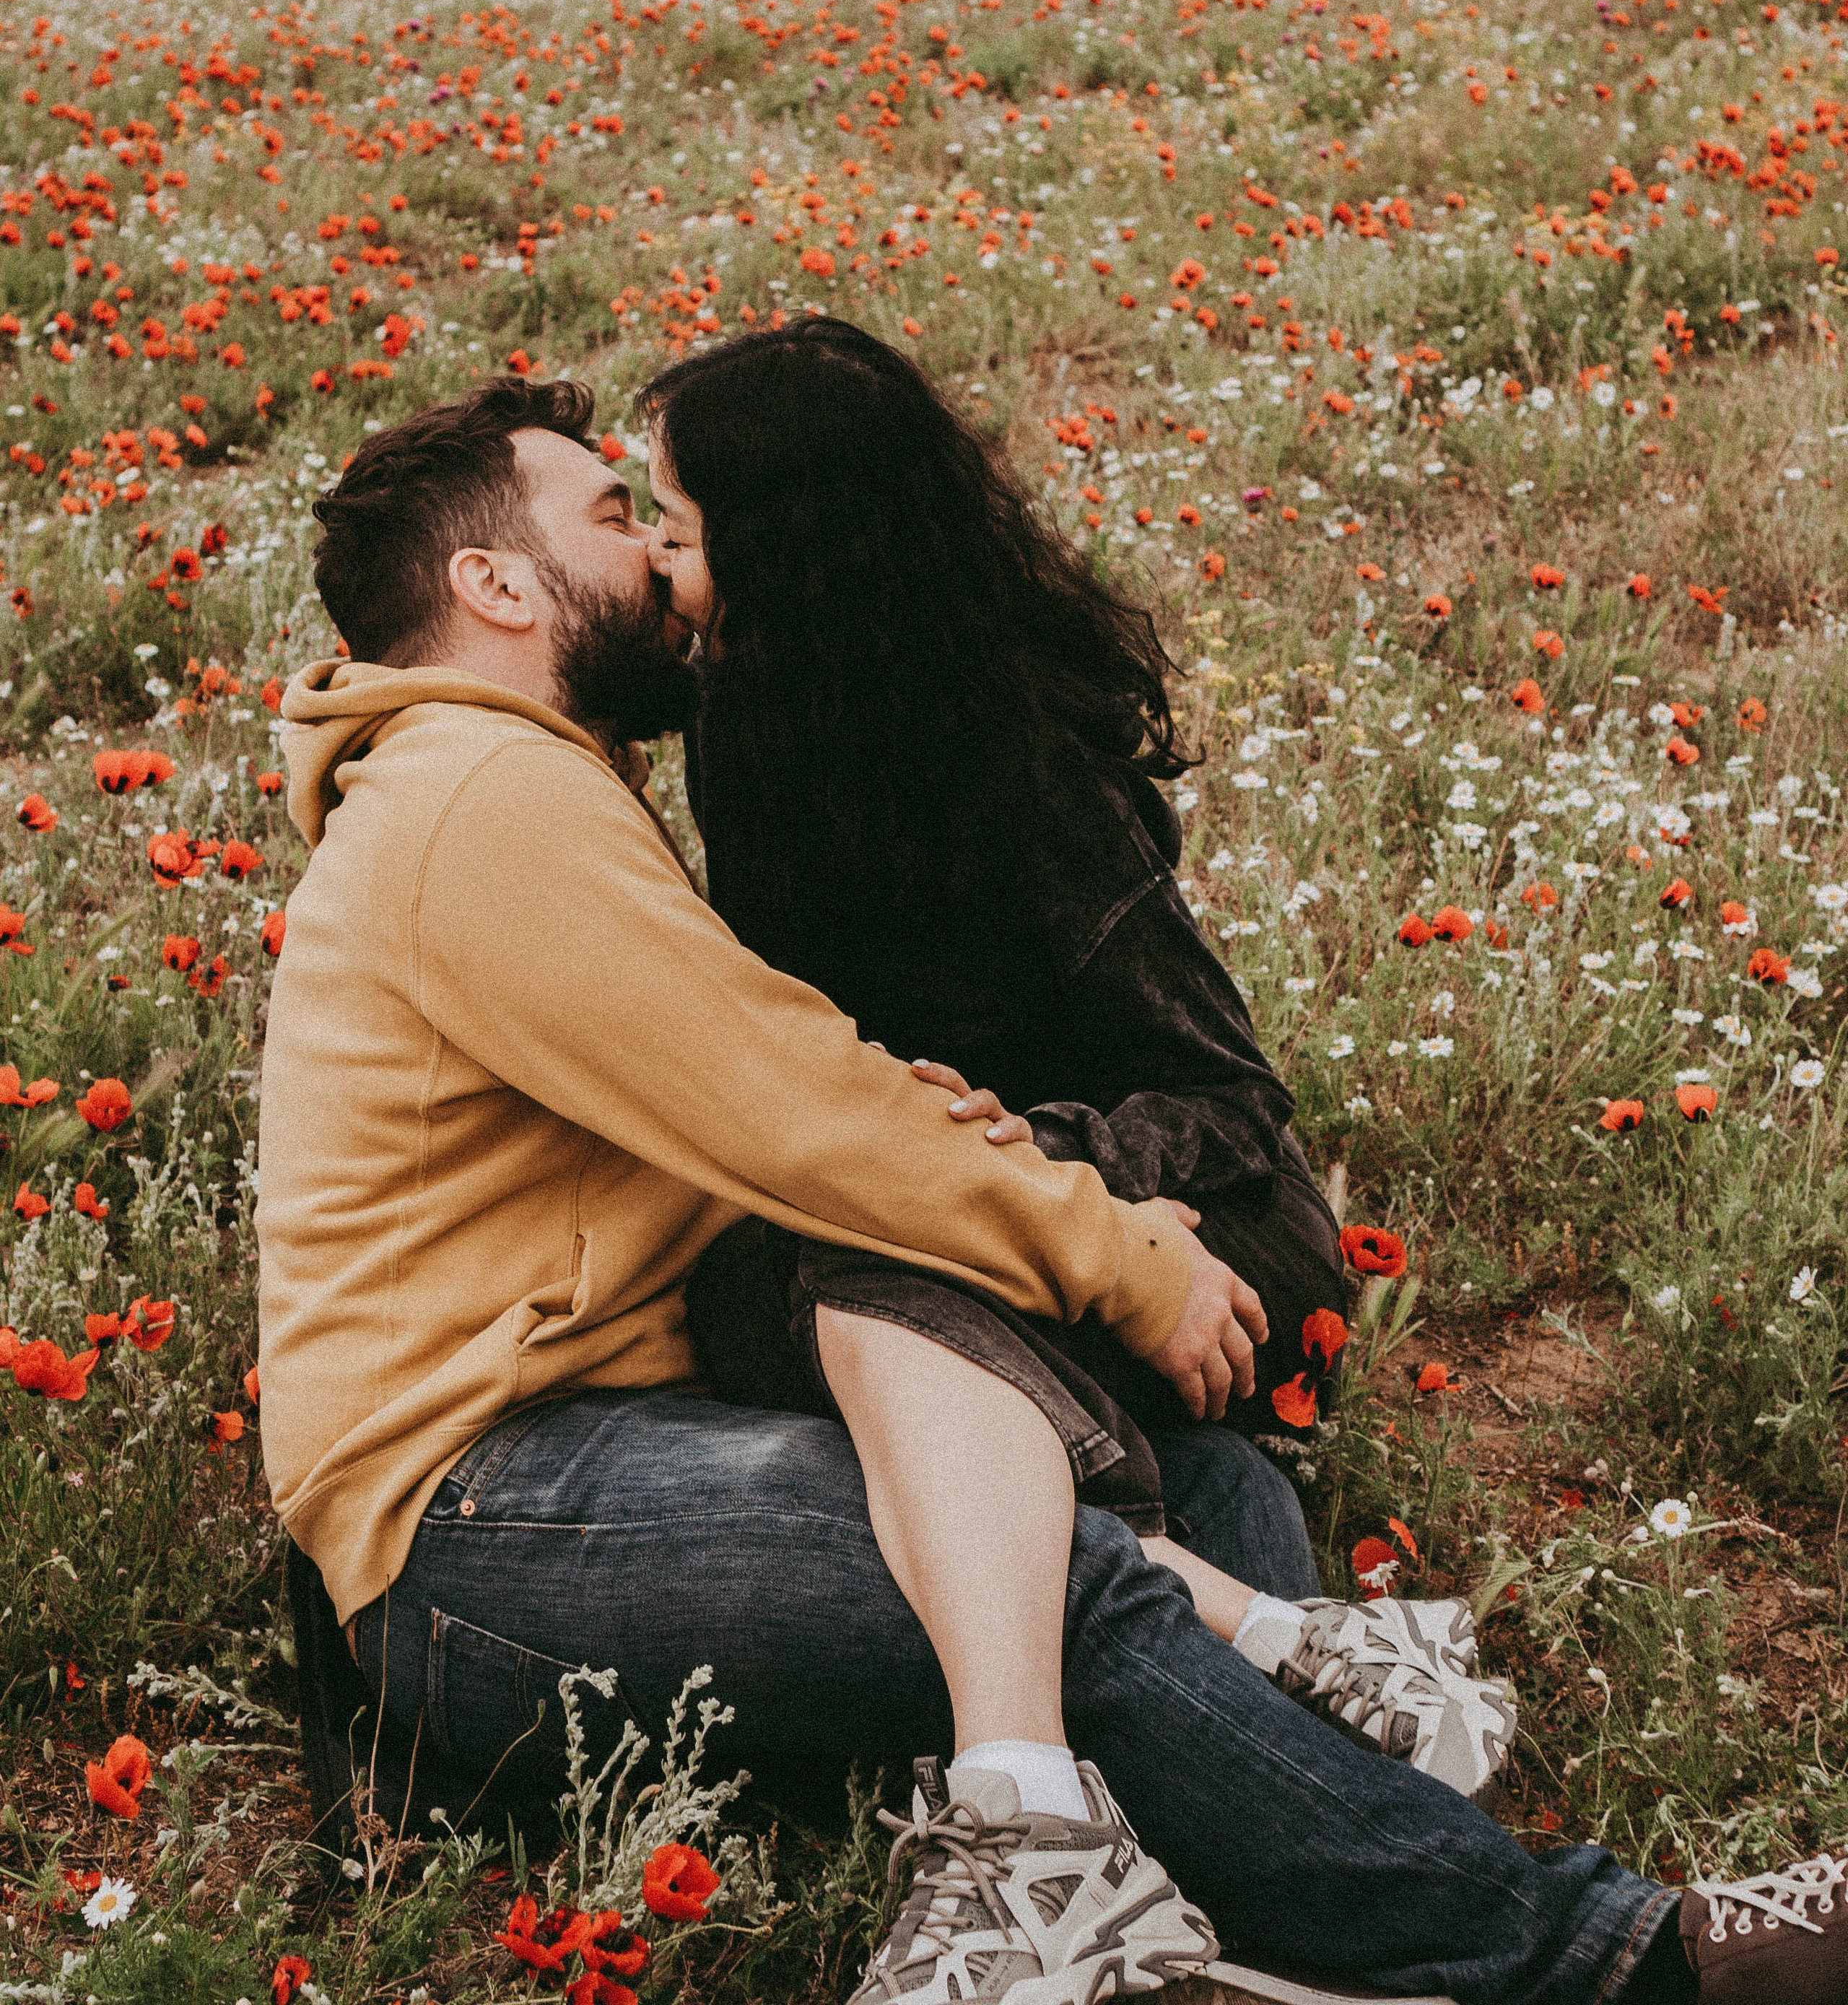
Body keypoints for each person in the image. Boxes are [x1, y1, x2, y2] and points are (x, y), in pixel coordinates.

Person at [258, 378, 1843, 2005]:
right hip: (469, 1518)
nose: (660, 561)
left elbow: (773, 1095)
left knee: (1193, 1481)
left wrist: (985, 1154)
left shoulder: (514, 786)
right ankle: (1608, 1960)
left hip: (600, 1447)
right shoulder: (477, 796)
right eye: (615, 518)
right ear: (497, 587)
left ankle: (1228, 1896)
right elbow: (795, 1109)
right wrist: (1120, 1258)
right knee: (1033, 1569)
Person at [636, 316, 1511, 1787]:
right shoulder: (756, 717)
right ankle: (1272, 1645)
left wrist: (1048, 1162)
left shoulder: (1013, 761)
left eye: (671, 525)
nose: (654, 563)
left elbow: (1234, 1100)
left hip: (1197, 1223)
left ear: (785, 553)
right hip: (967, 1216)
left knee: (817, 1290)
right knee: (752, 1288)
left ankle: (1102, 1707)